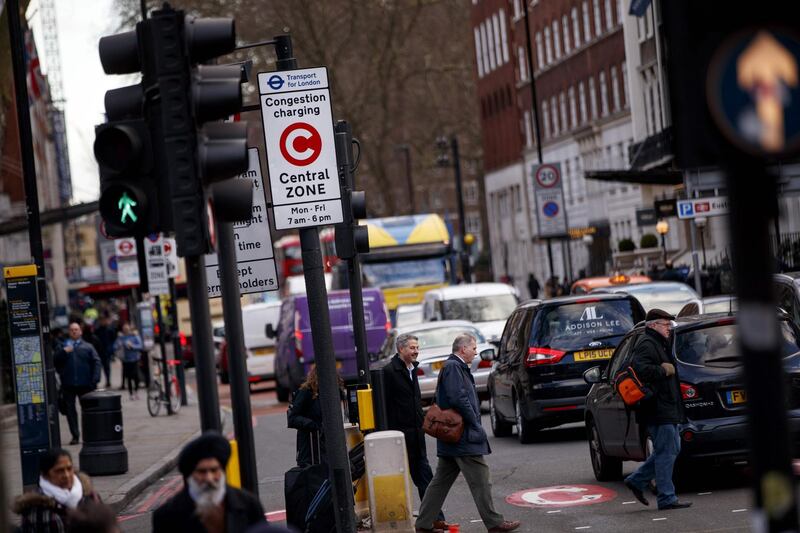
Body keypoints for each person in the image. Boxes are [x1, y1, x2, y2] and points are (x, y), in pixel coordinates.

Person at [415, 334, 520, 533]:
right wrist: (474, 421)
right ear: (463, 349)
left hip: (453, 437)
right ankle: (495, 523)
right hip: (461, 436)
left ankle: (423, 523)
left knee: (440, 482)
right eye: (473, 348)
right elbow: (458, 397)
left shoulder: (455, 366)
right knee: (481, 480)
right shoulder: (454, 367)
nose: (476, 352)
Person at [623, 308, 692, 511]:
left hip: (666, 405)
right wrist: (663, 369)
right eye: (665, 324)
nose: (669, 327)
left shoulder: (659, 342)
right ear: (653, 325)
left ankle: (637, 480)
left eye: (669, 324)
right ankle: (666, 498)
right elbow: (639, 368)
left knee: (671, 449)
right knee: (667, 451)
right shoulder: (647, 343)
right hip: (657, 407)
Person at [383, 334, 448, 529]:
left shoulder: (412, 370)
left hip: (416, 436)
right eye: (412, 347)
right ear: (400, 349)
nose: (416, 351)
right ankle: (397, 520)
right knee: (399, 482)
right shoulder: (389, 372)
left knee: (425, 479)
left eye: (417, 347)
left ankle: (434, 519)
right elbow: (384, 407)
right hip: (399, 438)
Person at [153, 432, 265, 533]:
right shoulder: (166, 516)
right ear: (190, 475)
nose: (209, 478)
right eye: (202, 472)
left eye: (214, 470)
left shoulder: (250, 505)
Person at [13, 448, 100, 532]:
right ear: (45, 475)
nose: (66, 475)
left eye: (69, 469)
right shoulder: (37, 509)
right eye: (59, 471)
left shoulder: (89, 495)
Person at [55, 322, 102, 445]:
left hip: (85, 384)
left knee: (87, 411)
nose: (74, 331)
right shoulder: (63, 346)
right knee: (70, 412)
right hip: (68, 385)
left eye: (76, 329)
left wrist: (95, 380)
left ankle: (89, 435)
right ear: (69, 332)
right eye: (72, 330)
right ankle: (75, 436)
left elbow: (97, 362)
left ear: (80, 332)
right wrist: (64, 352)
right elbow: (55, 360)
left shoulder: (88, 347)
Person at [114, 323, 143, 400]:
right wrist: (119, 344)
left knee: (136, 376)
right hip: (126, 360)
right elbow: (114, 346)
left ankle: (136, 391)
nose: (126, 330)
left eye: (127, 329)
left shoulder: (134, 336)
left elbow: (140, 346)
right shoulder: (121, 337)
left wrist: (132, 345)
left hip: (135, 359)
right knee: (129, 378)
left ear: (129, 329)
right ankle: (131, 394)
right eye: (124, 329)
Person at [93, 316, 118, 388]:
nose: (103, 322)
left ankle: (108, 381)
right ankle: (97, 381)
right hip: (99, 352)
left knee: (107, 368)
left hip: (107, 352)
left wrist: (111, 350)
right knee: (98, 367)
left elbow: (113, 339)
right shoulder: (97, 330)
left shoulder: (110, 329)